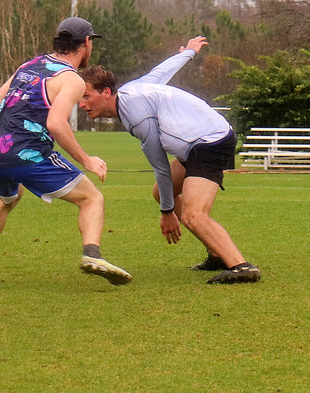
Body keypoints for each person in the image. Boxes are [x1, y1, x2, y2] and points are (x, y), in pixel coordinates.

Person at [0, 16, 132, 288]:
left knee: (7, 199)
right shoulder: (71, 79)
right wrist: (88, 160)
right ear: (86, 43)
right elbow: (55, 123)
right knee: (91, 198)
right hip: (29, 154)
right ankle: (92, 255)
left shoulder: (29, 65)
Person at [79, 36, 261, 284]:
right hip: (198, 144)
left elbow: (161, 166)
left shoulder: (134, 115)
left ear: (107, 92)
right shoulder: (133, 89)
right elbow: (161, 72)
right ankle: (217, 253)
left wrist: (167, 212)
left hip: (209, 144)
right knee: (161, 193)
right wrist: (188, 53)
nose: (81, 104)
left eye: (87, 96)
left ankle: (242, 267)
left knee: (193, 215)